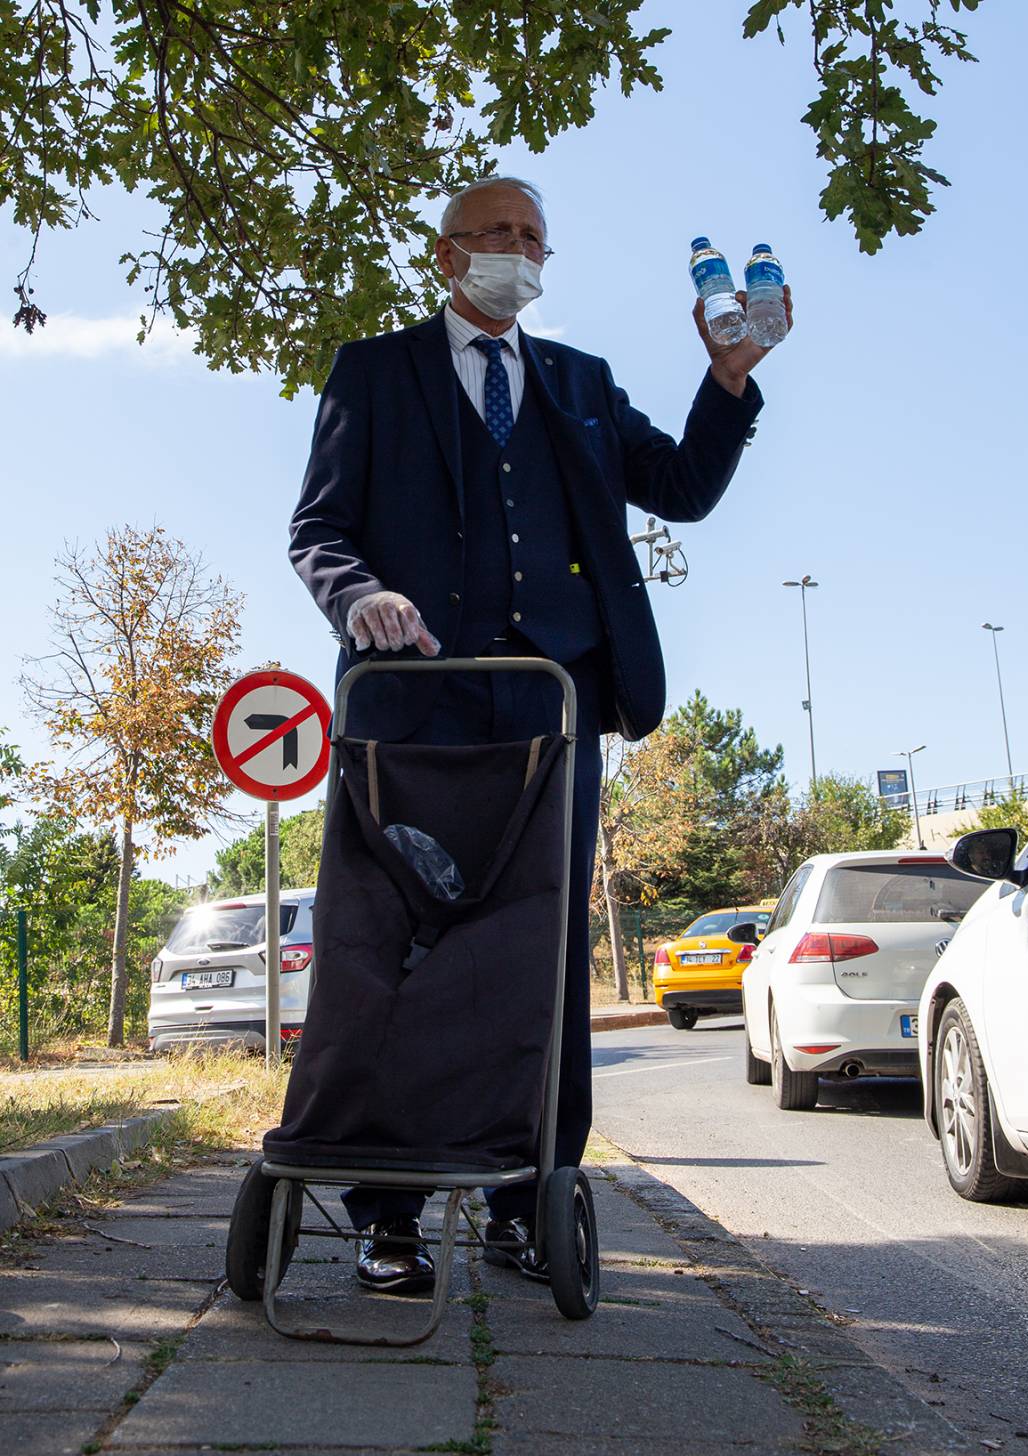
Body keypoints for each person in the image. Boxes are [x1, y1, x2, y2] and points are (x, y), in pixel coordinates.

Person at [289, 176, 790, 1293]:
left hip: (549, 713)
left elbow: (683, 488)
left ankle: (530, 1196)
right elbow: (317, 528)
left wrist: (729, 379)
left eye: (533, 237)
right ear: (446, 253)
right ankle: (390, 1215)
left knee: (544, 955)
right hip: (412, 711)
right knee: (400, 950)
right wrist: (360, 593)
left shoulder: (579, 384)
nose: (518, 250)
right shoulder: (374, 373)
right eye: (497, 233)